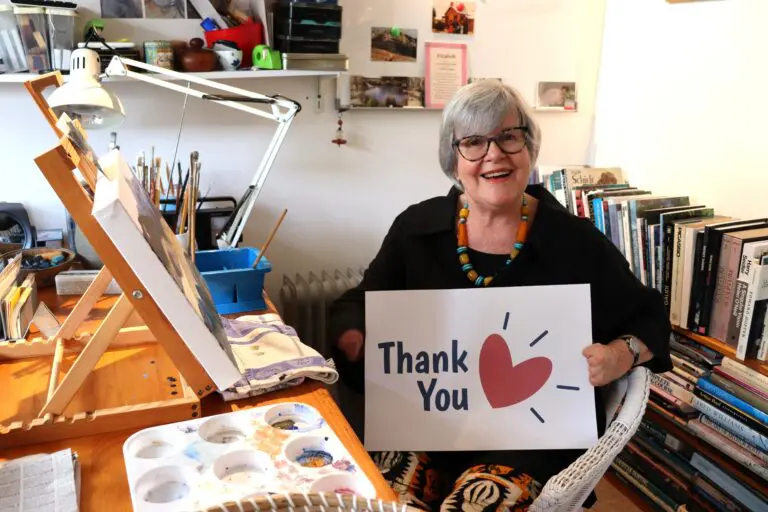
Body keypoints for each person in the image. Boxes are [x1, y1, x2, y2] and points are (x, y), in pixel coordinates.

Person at [328, 80, 672, 511]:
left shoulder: (574, 242)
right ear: (454, 160)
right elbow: (357, 304)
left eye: (509, 137)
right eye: (473, 142)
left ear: (529, 147)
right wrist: (353, 336)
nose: (494, 155)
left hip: (528, 441)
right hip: (426, 429)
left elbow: (649, 319)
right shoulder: (416, 230)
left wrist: (621, 354)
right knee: (378, 502)